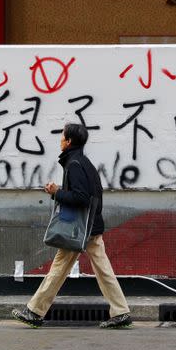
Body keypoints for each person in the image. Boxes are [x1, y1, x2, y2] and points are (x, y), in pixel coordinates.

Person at [12, 123, 132, 329]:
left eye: (62, 137)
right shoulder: (84, 162)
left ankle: (34, 311)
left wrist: (56, 192)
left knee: (58, 269)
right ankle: (120, 312)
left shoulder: (74, 164)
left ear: (68, 142)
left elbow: (81, 197)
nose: (60, 139)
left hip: (79, 230)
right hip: (91, 227)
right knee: (103, 271)